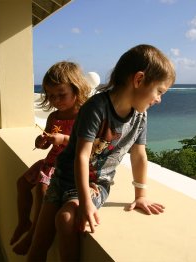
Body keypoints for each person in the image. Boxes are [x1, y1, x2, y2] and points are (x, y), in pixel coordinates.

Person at [27, 44, 176, 261]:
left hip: (94, 184)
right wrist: (87, 204)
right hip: (62, 178)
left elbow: (139, 156)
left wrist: (141, 195)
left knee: (66, 218)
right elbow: (81, 155)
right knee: (38, 245)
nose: (159, 99)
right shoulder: (96, 107)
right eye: (159, 91)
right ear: (139, 79)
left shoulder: (140, 116)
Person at [10, 61, 91, 255]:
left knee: (42, 189)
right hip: (49, 162)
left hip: (66, 166)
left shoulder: (83, 116)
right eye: (51, 95)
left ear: (76, 90)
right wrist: (42, 142)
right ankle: (23, 222)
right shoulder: (54, 117)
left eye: (61, 95)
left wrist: (62, 139)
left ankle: (33, 236)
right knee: (21, 183)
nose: (56, 100)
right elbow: (48, 141)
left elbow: (84, 144)